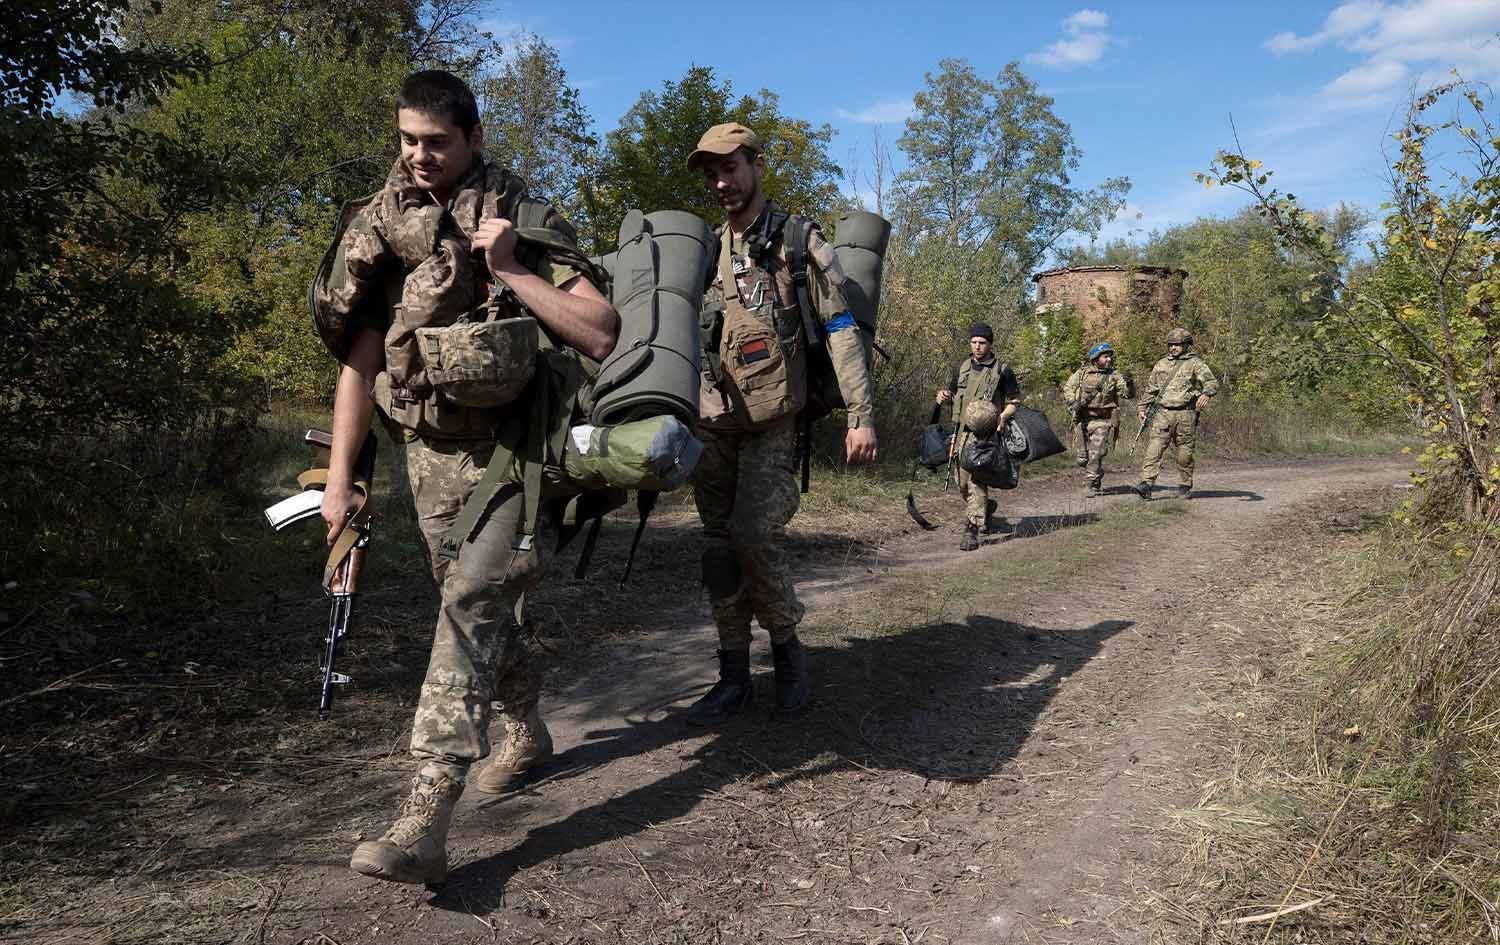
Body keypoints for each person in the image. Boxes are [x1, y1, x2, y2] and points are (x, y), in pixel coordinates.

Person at [313, 70, 618, 885]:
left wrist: (511, 267)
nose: (419, 155)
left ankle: (426, 815)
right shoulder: (384, 225)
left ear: (475, 138)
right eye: (407, 140)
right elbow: (362, 362)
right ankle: (527, 726)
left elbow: (599, 329)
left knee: (471, 601)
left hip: (514, 452)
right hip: (428, 455)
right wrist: (341, 480)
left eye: (437, 142)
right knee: (473, 604)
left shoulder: (521, 213)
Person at [685, 122, 879, 726]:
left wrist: (861, 416)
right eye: (712, 173)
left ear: (757, 166)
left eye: (731, 167)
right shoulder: (704, 250)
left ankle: (789, 652)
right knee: (718, 549)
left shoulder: (796, 241)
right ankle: (733, 675)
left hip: (772, 421)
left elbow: (841, 329)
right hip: (714, 422)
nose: (722, 182)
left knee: (754, 536)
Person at [937, 324, 1021, 550]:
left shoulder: (1003, 370)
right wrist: (943, 397)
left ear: (990, 344)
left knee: (976, 481)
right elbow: (952, 395)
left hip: (986, 436)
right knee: (962, 483)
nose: (977, 346)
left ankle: (971, 529)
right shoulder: (962, 367)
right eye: (974, 342)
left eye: (982, 343)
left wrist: (1002, 417)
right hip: (961, 433)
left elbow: (1014, 402)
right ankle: (985, 507)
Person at [1135, 327, 1218, 499]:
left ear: (1186, 345)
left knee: (1184, 454)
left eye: (1177, 345)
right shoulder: (1161, 364)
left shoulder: (1195, 363)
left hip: (1185, 415)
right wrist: (1142, 407)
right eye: (1170, 344)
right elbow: (1151, 389)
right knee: (1154, 450)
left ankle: (1184, 485)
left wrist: (1206, 394)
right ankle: (1146, 484)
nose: (1173, 347)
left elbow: (1211, 382)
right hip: (1163, 413)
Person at [1062, 342, 1134, 497]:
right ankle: (1096, 475)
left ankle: (1089, 484)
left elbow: (1126, 395)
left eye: (1110, 357)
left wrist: (1130, 383)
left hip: (1103, 420)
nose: (1109, 359)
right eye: (1105, 357)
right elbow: (1068, 388)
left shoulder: (1114, 376)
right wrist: (1072, 402)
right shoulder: (1082, 374)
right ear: (1095, 358)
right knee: (1082, 458)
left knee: (1096, 454)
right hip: (1082, 420)